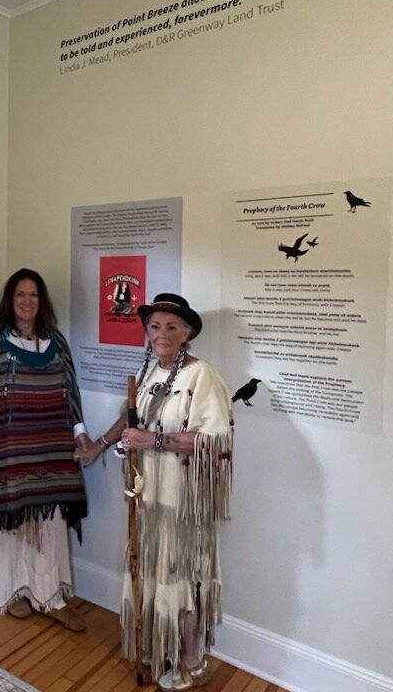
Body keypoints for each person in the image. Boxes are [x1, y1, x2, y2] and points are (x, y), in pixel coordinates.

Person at [76, 293, 234, 691]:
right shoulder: (149, 373)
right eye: (155, 326)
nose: (162, 333)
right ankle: (160, 646)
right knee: (153, 573)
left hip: (182, 502)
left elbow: (215, 439)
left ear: (187, 333)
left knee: (183, 576)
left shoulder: (202, 376)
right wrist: (99, 444)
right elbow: (129, 419)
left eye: (171, 326)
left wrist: (153, 441)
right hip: (148, 498)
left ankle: (192, 662)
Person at [0, 268, 92, 631]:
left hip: (51, 451)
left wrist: (81, 432)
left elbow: (69, 393)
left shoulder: (56, 343)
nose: (27, 301)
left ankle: (49, 596)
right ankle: (9, 592)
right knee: (6, 521)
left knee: (49, 525)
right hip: (3, 451)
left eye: (34, 295)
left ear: (42, 303)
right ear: (10, 301)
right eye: (20, 295)